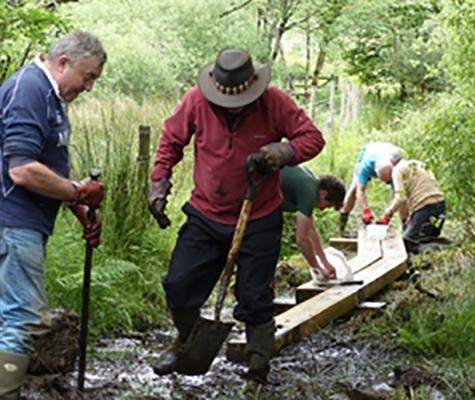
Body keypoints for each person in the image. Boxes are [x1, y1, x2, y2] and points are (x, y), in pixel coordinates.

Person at [148, 48, 325, 383]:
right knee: (178, 284)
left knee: (255, 295)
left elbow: (313, 138)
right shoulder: (195, 101)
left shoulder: (274, 101)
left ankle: (259, 365)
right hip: (205, 212)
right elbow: (171, 141)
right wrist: (159, 182)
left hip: (260, 214)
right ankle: (187, 339)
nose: (233, 106)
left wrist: (281, 151)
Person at [0, 31, 106, 397]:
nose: (89, 87)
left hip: (19, 223)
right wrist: (79, 191)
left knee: (10, 317)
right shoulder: (29, 89)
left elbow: (47, 168)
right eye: (88, 76)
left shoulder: (48, 96)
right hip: (12, 221)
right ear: (64, 63)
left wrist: (79, 208)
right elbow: (23, 170)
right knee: (21, 319)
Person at [280, 165, 346, 280]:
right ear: (323, 194)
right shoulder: (309, 193)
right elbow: (302, 239)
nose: (322, 209)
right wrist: (317, 268)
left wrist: (325, 263)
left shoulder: (311, 184)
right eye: (326, 206)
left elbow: (311, 230)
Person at [377, 159, 445, 254]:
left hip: (426, 208)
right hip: (440, 206)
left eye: (387, 182)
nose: (388, 184)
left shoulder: (396, 172)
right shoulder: (416, 164)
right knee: (426, 239)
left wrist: (389, 212)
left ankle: (445, 248)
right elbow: (420, 189)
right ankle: (435, 257)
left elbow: (400, 198)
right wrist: (412, 214)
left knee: (408, 243)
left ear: (386, 174)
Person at [339, 142, 403, 235]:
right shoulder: (366, 166)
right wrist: (366, 210)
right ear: (376, 172)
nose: (385, 183)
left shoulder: (397, 167)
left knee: (402, 194)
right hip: (369, 151)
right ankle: (342, 225)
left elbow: (397, 194)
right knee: (354, 188)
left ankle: (405, 227)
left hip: (389, 153)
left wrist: (389, 214)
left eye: (387, 181)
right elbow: (360, 190)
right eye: (383, 180)